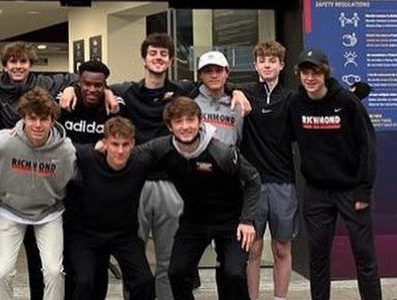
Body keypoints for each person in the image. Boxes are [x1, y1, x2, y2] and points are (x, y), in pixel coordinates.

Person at [108, 34, 250, 299]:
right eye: (153, 53)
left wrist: (237, 91)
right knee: (134, 261)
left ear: (171, 60)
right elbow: (91, 84)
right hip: (136, 184)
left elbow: (216, 84)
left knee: (169, 264)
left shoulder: (185, 91)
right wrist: (76, 87)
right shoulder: (126, 92)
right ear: (144, 58)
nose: (158, 58)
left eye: (163, 54)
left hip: (171, 185)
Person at [0, 41, 79, 300]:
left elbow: (65, 180)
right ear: (23, 117)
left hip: (48, 212)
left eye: (43, 119)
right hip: (9, 210)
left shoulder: (65, 149)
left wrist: (71, 87)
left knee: (53, 271)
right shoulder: (2, 141)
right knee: (1, 272)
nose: (37, 124)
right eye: (31, 118)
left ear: (52, 119)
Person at [289, 49, 381, 300]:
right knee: (317, 257)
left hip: (351, 190)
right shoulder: (296, 104)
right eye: (305, 72)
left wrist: (364, 190)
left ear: (325, 72)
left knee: (364, 255)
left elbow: (367, 146)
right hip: (316, 191)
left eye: (315, 72)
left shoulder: (346, 102)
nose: (310, 78)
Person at [155, 97, 260, 300]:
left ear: (200, 121)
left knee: (234, 274)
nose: (185, 127)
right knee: (176, 273)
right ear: (170, 126)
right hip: (194, 222)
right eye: (179, 121)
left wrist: (247, 220)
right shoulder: (164, 149)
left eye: (190, 120)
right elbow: (136, 158)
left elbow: (253, 179)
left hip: (231, 220)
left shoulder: (222, 152)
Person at [65, 116, 155, 300]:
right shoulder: (87, 156)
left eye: (125, 144)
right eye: (114, 144)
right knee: (84, 283)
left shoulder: (140, 162)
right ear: (104, 143)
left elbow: (168, 146)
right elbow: (57, 144)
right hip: (87, 235)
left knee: (144, 281)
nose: (120, 151)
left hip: (124, 235)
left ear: (133, 144)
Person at [241, 41, 297, 300]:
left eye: (272, 60)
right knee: (252, 249)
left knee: (282, 248)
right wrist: (235, 92)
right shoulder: (244, 93)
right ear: (255, 65)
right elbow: (216, 87)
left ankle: (280, 298)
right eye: (262, 60)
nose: (267, 64)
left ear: (281, 65)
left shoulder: (291, 98)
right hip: (252, 185)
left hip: (283, 183)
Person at [59, 59, 123, 145]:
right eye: (87, 84)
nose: (92, 90)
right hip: (67, 157)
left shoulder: (115, 104)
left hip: (99, 157)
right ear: (80, 83)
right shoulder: (65, 100)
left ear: (105, 85)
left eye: (98, 85)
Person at [194, 50, 244, 146]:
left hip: (229, 159)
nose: (214, 75)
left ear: (227, 73)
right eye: (208, 71)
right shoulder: (192, 102)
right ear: (200, 75)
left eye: (219, 70)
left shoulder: (238, 103)